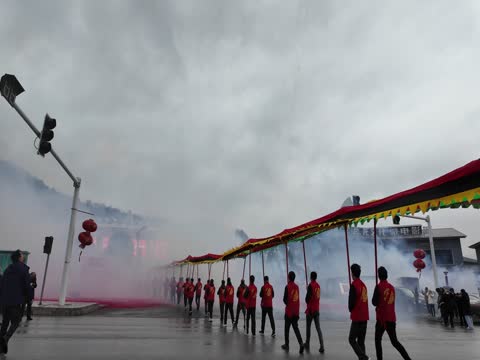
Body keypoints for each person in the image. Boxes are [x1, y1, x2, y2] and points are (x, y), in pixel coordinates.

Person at [372, 266, 412, 360]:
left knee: (377, 340)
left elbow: (374, 302)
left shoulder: (378, 287)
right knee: (395, 342)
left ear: (378, 276)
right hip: (391, 318)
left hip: (382, 318)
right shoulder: (392, 287)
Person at [0, 250, 30, 355]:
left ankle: (1, 346)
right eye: (22, 255)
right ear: (19, 258)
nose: (23, 257)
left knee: (5, 323)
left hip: (4, 301)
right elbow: (26, 286)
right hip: (16, 301)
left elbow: (2, 284)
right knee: (16, 322)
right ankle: (6, 338)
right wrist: (28, 297)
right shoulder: (23, 269)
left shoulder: (7, 269)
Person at [348, 263, 369, 360]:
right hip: (364, 317)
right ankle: (363, 357)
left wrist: (350, 309)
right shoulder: (363, 285)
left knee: (351, 339)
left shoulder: (354, 285)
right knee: (361, 342)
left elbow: (351, 303)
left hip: (357, 317)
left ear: (352, 273)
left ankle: (363, 357)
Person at [281, 271, 304, 354]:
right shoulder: (297, 287)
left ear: (289, 278)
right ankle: (301, 343)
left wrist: (287, 303)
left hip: (289, 312)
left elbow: (284, 299)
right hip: (296, 311)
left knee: (286, 329)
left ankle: (287, 344)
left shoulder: (287, 287)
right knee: (296, 329)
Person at [304, 271, 324, 353]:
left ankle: (307, 343)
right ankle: (322, 345)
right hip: (317, 309)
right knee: (318, 328)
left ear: (310, 277)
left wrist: (307, 290)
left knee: (308, 327)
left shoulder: (310, 286)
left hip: (310, 310)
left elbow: (307, 299)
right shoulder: (318, 286)